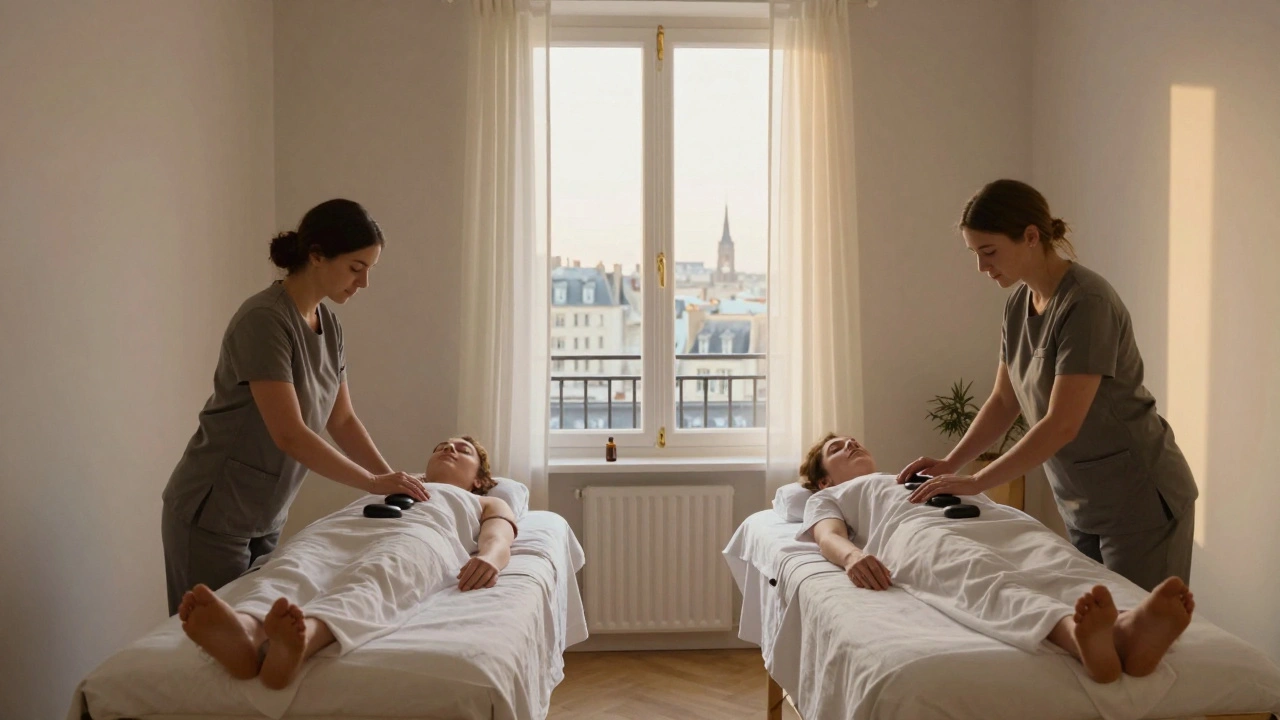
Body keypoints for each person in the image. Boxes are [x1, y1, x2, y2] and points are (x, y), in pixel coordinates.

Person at [897, 179, 1198, 592]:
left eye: (989, 252)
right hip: (1082, 501)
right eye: (975, 254)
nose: (982, 267)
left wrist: (976, 483)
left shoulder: (1087, 303)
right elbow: (1004, 400)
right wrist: (951, 463)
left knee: (1139, 635)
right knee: (1096, 633)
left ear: (1031, 237)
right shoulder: (1018, 304)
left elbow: (1061, 424)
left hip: (1140, 498)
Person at [161, 199, 429, 615]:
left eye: (370, 270)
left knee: (249, 640)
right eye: (356, 268)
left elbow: (341, 419)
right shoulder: (265, 320)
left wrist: (388, 477)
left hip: (266, 512)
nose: (364, 283)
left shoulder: (329, 324)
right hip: (212, 511)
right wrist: (371, 484)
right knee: (207, 649)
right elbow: (289, 433)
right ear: (317, 255)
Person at [801, 433, 1195, 685]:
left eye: (853, 440)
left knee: (1053, 559)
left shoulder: (903, 475)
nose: (851, 443)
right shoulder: (833, 496)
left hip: (995, 520)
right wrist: (854, 557)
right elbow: (827, 535)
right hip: (920, 534)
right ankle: (1076, 637)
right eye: (837, 448)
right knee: (982, 574)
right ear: (823, 480)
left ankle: (1129, 628)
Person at [177, 436, 516, 690]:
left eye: (462, 449)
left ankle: (302, 638)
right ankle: (247, 629)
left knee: (376, 578)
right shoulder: (389, 483)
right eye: (442, 445)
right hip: (343, 529)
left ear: (479, 479)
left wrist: (489, 559)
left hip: (419, 537)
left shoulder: (482, 500)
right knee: (294, 564)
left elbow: (499, 537)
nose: (449, 448)